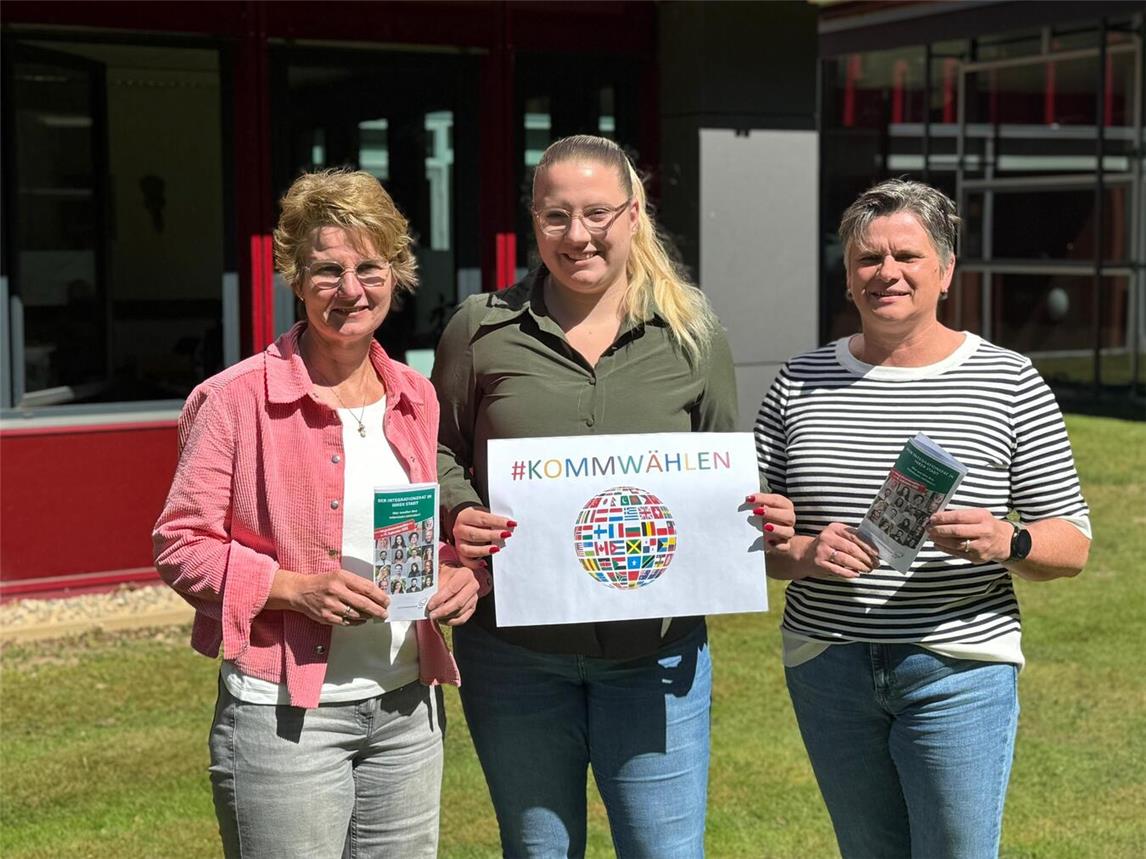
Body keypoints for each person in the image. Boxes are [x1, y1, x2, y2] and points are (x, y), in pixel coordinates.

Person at [432, 134, 794, 858]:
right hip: (514, 654)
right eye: (556, 215)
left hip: (655, 658)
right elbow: (438, 447)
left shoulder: (693, 331)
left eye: (597, 213)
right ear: (534, 220)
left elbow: (727, 471)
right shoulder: (480, 328)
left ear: (634, 215)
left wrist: (759, 511)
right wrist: (458, 509)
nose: (578, 235)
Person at [755, 178, 1091, 858]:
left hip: (959, 665)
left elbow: (1073, 541)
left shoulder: (1010, 380)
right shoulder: (799, 380)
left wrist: (1008, 538)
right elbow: (747, 542)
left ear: (945, 270)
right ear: (848, 277)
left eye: (906, 256)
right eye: (867, 259)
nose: (886, 273)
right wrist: (803, 548)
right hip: (828, 664)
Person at [153, 168, 482, 858]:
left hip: (406, 709)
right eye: (328, 270)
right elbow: (181, 543)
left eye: (370, 267)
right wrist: (294, 588)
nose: (352, 289)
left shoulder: (416, 397)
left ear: (397, 273)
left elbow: (421, 532)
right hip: (285, 715)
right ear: (295, 279)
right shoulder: (235, 399)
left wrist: (458, 574)